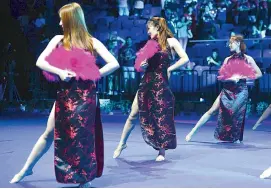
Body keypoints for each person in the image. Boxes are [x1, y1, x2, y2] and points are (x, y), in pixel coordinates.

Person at [10, 3, 119, 187]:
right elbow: (40, 61)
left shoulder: (92, 42)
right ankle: (27, 168)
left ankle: (84, 178)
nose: (60, 23)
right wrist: (59, 72)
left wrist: (92, 73)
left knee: (83, 138)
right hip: (65, 96)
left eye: (62, 19)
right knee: (49, 133)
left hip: (86, 98)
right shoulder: (58, 40)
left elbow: (114, 63)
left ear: (71, 20)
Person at [113, 17, 189, 161]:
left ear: (158, 27)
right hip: (147, 81)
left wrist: (170, 68)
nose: (148, 31)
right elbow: (143, 63)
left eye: (149, 28)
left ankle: (161, 151)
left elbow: (185, 58)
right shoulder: (149, 44)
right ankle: (122, 144)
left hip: (161, 84)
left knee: (160, 115)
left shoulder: (170, 42)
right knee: (133, 114)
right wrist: (142, 66)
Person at [185, 35, 262, 143]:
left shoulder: (248, 59)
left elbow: (259, 74)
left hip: (240, 90)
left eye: (231, 43)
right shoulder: (227, 60)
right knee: (211, 111)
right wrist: (230, 78)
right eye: (229, 43)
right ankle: (193, 131)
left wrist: (242, 77)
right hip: (227, 89)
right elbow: (222, 76)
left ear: (238, 43)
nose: (229, 45)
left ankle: (235, 137)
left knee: (235, 113)